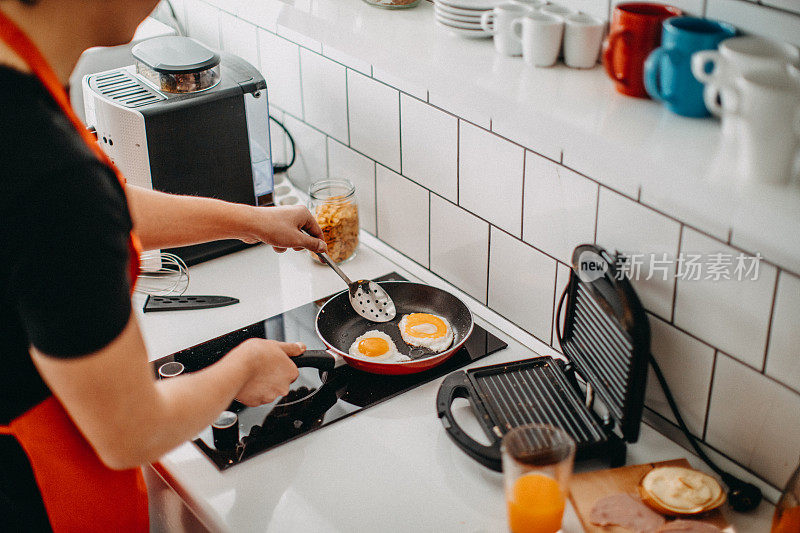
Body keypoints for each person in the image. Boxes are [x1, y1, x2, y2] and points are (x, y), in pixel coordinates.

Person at [0, 0, 328, 530]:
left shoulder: (14, 75)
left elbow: (103, 204)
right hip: (38, 496)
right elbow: (129, 432)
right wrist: (241, 368)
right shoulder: (48, 175)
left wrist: (252, 220)